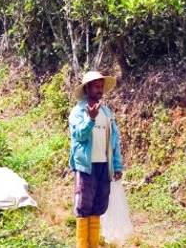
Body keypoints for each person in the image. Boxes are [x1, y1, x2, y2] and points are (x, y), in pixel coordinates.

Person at [68, 71, 123, 248]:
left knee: (98, 205)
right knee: (83, 207)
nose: (100, 90)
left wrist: (116, 164)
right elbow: (79, 136)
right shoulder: (77, 112)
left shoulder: (106, 112)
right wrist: (90, 119)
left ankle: (93, 245)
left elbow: (114, 139)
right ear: (87, 88)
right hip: (86, 166)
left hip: (103, 166)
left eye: (101, 87)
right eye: (96, 86)